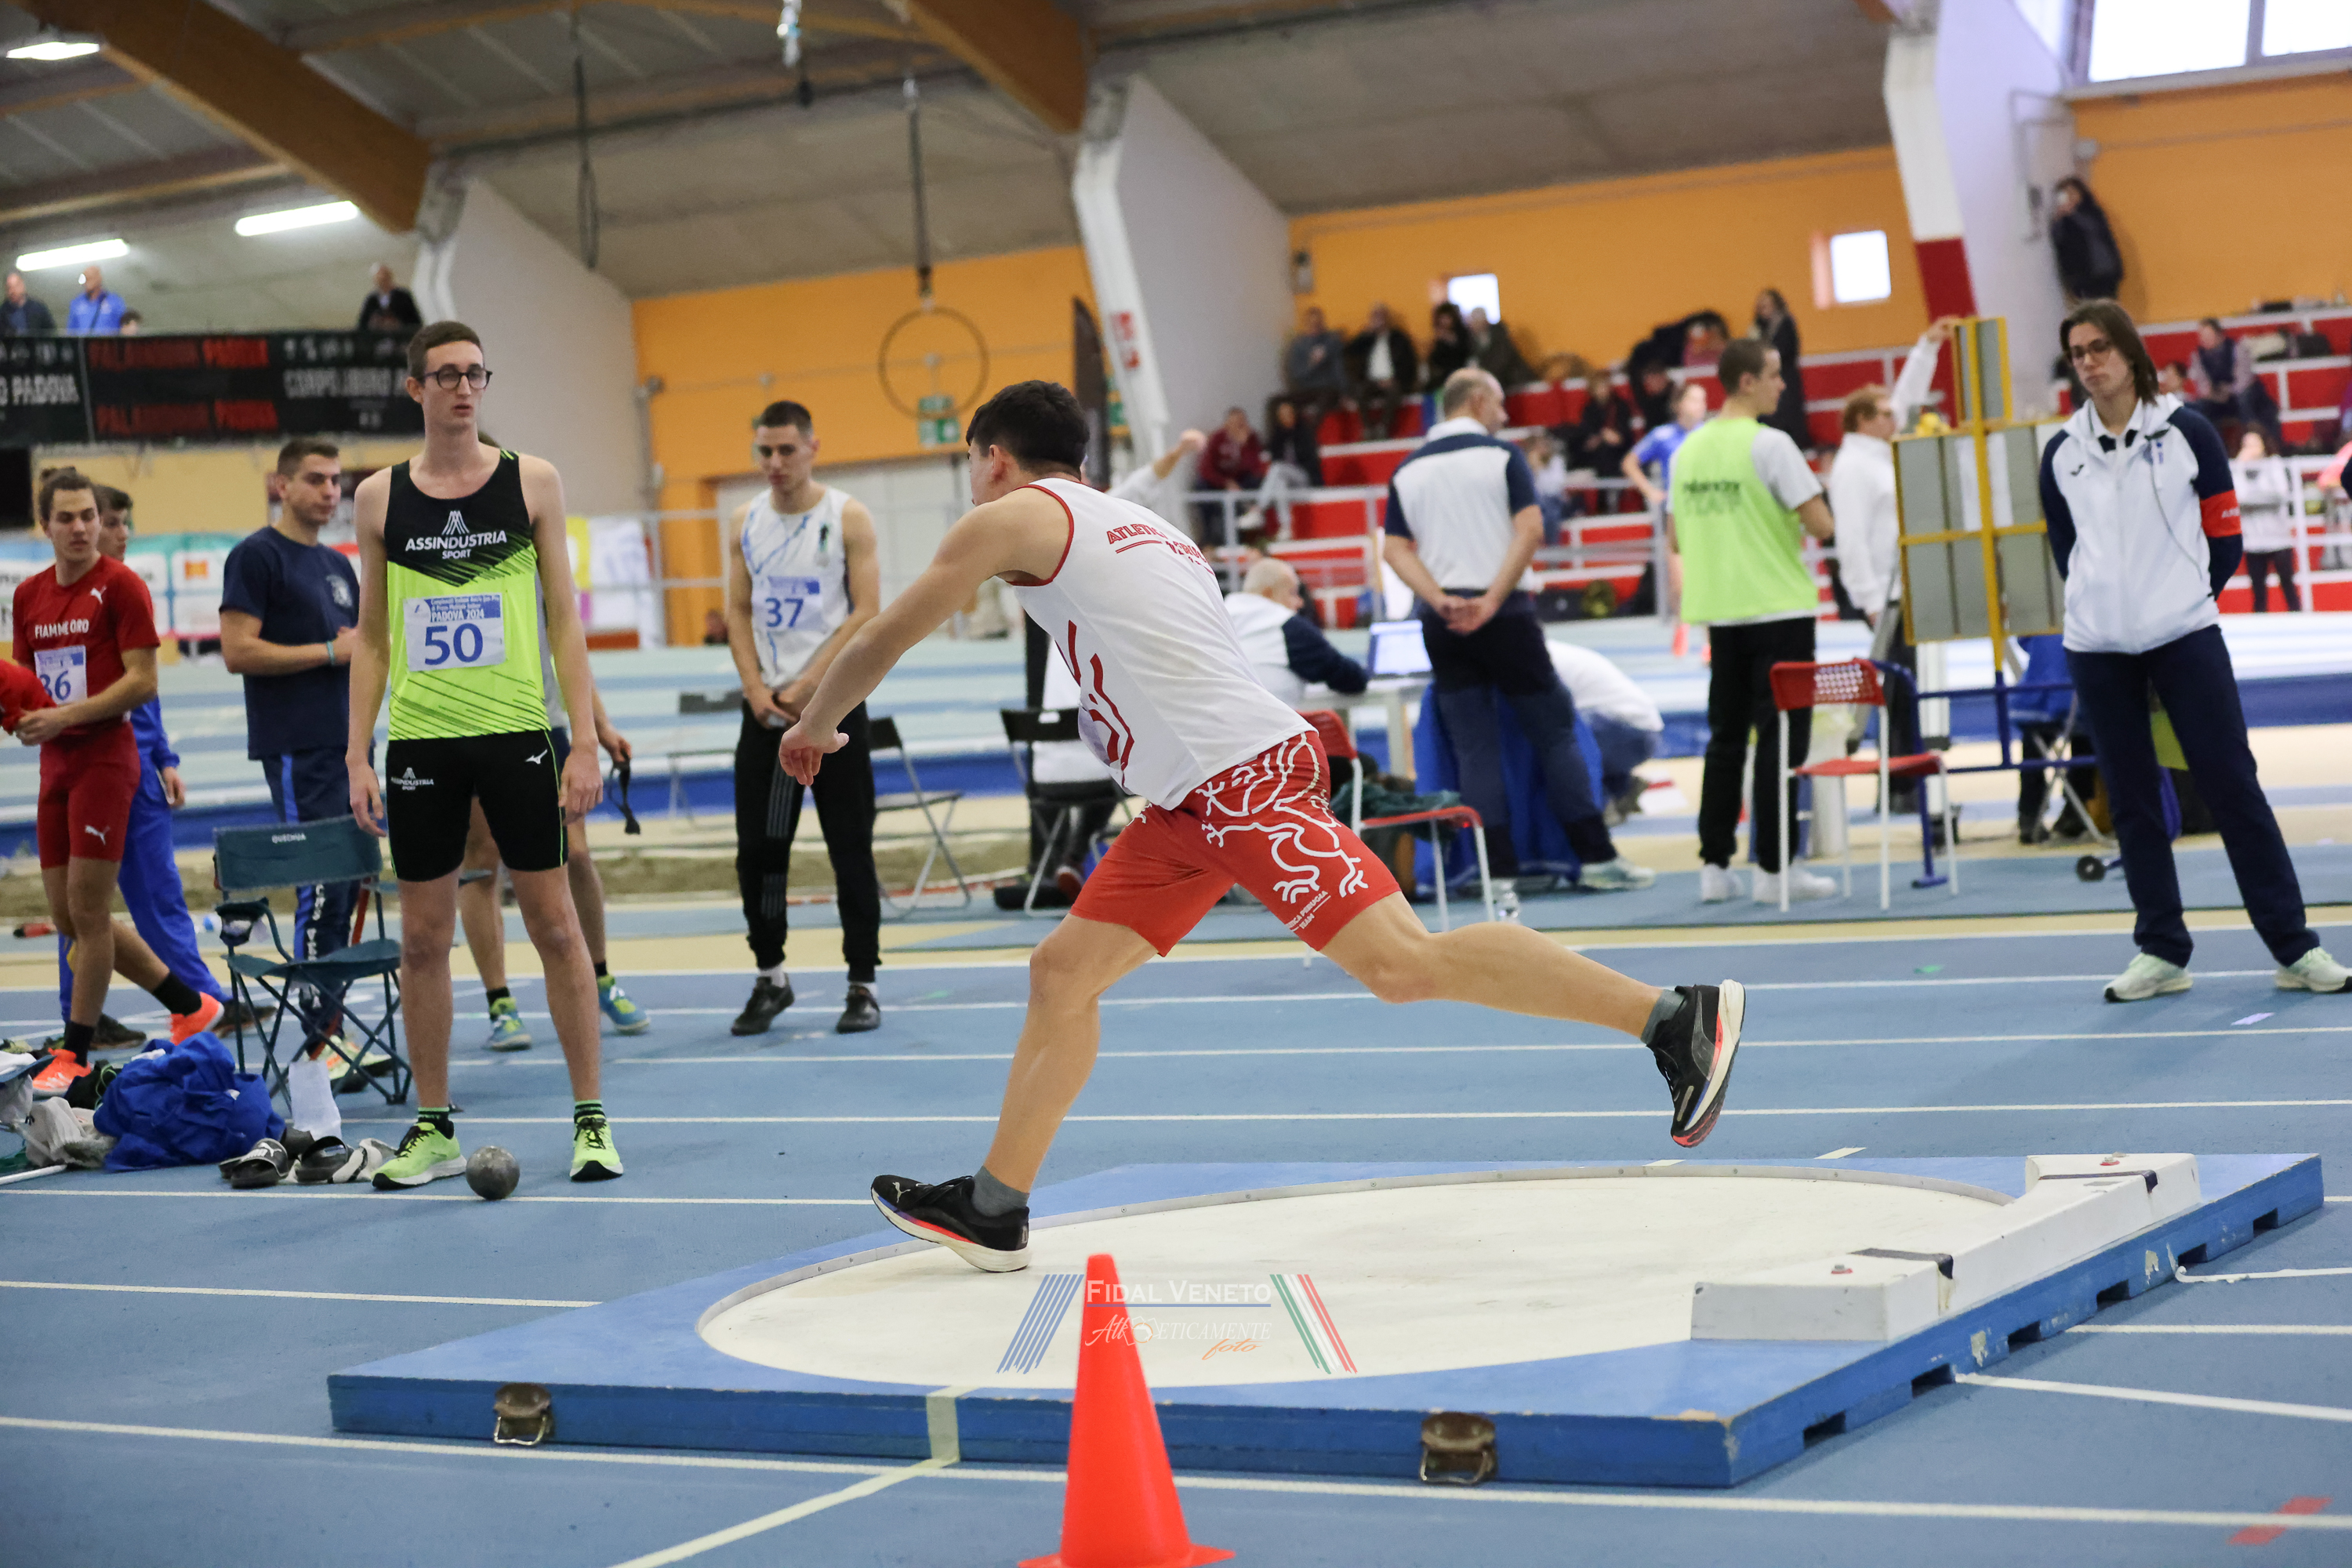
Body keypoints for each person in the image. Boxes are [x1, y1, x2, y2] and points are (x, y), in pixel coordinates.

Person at [775, 379, 1748, 1273]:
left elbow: (888, 630)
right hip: (1191, 798)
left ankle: (1672, 1017)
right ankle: (995, 1206)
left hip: (1239, 779)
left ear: (993, 458)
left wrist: (816, 724)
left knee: (1401, 964)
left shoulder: (1017, 514)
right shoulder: (1146, 525)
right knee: (1062, 972)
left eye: (972, 465)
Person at [344, 320, 624, 1186]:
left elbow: (564, 619)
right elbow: (372, 638)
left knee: (555, 925)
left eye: (476, 374)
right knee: (421, 940)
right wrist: (357, 754)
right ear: (416, 388)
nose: (465, 388)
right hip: (422, 744)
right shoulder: (379, 498)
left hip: (516, 737)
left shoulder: (531, 481)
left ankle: (591, 1121)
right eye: (447, 375)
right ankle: (433, 1126)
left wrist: (584, 740)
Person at [2040, 299, 2346, 1002]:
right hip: (2098, 648)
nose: (2089, 362)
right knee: (2132, 801)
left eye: (2099, 347)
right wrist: (2104, 609)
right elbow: (2067, 550)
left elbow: (2226, 540)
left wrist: (2179, 601)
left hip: (2185, 637)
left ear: (2130, 352)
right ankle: (2161, 950)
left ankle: (2295, 947)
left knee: (2233, 787)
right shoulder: (2061, 452)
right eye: (2078, 353)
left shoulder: (2189, 432)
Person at [1381, 367, 1654, 897]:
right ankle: (1595, 857)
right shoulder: (1503, 456)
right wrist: (1492, 600)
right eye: (1501, 404)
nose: (1505, 416)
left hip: (1442, 621)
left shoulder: (1407, 469)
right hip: (1504, 616)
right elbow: (1530, 530)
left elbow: (1394, 550)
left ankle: (1497, 873)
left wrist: (1439, 599)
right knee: (1555, 734)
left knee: (1475, 751)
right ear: (1478, 401)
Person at [17, 472, 225, 1097]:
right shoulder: (29, 596)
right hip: (55, 764)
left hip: (107, 761)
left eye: (88, 516)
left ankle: (75, 1051)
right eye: (67, 518)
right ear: (45, 526)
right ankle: (190, 1003)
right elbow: (29, 682)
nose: (81, 528)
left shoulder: (122, 586)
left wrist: (67, 717)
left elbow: (143, 682)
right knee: (68, 917)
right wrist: (24, 715)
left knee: (89, 911)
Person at [53, 488, 245, 1050]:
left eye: (117, 522)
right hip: (96, 768)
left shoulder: (126, 590)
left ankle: (197, 998)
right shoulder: (69, 602)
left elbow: (146, 693)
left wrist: (165, 757)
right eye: (109, 521)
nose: (120, 533)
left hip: (137, 766)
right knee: (80, 905)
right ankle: (95, 1012)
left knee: (141, 895)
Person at [722, 399, 884, 1037]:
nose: (775, 462)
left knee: (850, 848)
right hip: (766, 715)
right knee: (759, 853)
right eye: (764, 450)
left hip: (834, 709)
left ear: (813, 447)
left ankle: (863, 982)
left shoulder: (847, 516)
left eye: (787, 449)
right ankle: (771, 976)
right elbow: (737, 610)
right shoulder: (744, 521)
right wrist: (755, 688)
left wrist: (812, 685)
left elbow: (866, 610)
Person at [1670, 336, 1839, 906]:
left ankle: (1714, 868)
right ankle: (1776, 869)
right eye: (1774, 374)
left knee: (1725, 741)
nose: (1782, 385)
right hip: (1779, 610)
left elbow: (1675, 538)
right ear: (1747, 381)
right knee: (1779, 739)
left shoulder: (1688, 451)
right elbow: (1821, 525)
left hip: (1721, 613)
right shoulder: (1771, 444)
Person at [221, 439, 368, 1068]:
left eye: (336, 481)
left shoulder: (338, 565)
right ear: (281, 485)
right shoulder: (257, 556)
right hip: (296, 745)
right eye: (315, 479)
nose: (330, 492)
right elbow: (238, 650)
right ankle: (317, 1042)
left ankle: (330, 1030)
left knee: (349, 885)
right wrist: (331, 652)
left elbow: (360, 653)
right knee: (322, 885)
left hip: (345, 746)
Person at [1827, 318, 1959, 794]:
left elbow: (1905, 397)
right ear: (1863, 421)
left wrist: (1927, 346)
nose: (1895, 418)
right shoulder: (1853, 468)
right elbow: (1850, 540)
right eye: (1884, 414)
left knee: (1906, 688)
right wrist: (1868, 599)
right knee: (1899, 690)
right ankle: (1902, 786)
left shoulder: (1876, 454)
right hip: (1883, 597)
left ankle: (1906, 784)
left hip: (1902, 591)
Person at [1544, 638, 1663, 822]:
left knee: (1552, 739)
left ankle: (1598, 804)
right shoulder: (1547, 650)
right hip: (1639, 733)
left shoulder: (1536, 658)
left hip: (1624, 732)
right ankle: (1620, 787)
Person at [1224, 557, 1367, 706]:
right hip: (1268, 718)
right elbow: (1352, 678)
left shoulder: (1221, 617)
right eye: (1292, 593)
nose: (1300, 602)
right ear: (1268, 594)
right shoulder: (1285, 625)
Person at [2233, 427, 2299, 612]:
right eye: (2246, 445)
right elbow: (2237, 498)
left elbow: (2279, 495)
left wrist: (2250, 501)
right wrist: (2239, 466)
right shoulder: (2237, 469)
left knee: (2289, 590)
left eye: (2254, 444)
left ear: (2263, 445)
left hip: (2279, 538)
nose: (2250, 449)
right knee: (2259, 596)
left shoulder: (2274, 464)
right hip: (2253, 541)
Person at [1623, 380, 1710, 510]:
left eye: (1702, 401)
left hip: (1707, 505)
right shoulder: (1662, 435)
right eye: (1694, 400)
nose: (1701, 406)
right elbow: (1629, 463)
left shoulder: (1710, 434)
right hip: (1676, 508)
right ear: (1678, 404)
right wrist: (1650, 491)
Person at [1346, 303, 1417, 441]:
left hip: (1393, 379)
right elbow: (1350, 351)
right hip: (1371, 381)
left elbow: (1408, 363)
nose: (1378, 321)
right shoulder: (1367, 340)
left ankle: (1383, 427)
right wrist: (1365, 334)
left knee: (1394, 391)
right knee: (1360, 391)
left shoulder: (1398, 338)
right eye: (1375, 317)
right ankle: (1367, 428)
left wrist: (1395, 378)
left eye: (1381, 317)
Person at [2049, 176, 2124, 303]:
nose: (2071, 197)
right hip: (2082, 275)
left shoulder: (2091, 210)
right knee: (2090, 309)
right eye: (2066, 194)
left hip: (2105, 269)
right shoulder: (2063, 219)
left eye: (2073, 192)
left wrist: (2072, 213)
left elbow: (2093, 228)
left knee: (2108, 307)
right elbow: (2058, 240)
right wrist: (2058, 220)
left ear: (2081, 192)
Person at [1196, 407, 1265, 540]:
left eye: (1240, 423)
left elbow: (1255, 467)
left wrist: (1243, 446)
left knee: (1255, 481)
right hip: (1220, 482)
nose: (1237, 426)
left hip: (1242, 481)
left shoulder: (1251, 438)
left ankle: (1248, 529)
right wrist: (1225, 482)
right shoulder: (1218, 438)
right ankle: (1208, 537)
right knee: (1201, 486)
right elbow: (1206, 468)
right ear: (1227, 424)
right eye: (1234, 423)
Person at [1752, 289, 1809, 450]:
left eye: (1768, 305)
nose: (1764, 310)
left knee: (1787, 412)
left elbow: (1786, 350)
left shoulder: (1785, 323)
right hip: (1765, 378)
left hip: (1786, 375)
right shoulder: (1758, 327)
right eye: (1762, 306)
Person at [1281, 306, 1349, 432]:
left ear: (1323, 324)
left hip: (1327, 388)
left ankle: (1311, 433)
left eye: (1318, 324)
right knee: (1277, 403)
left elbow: (1338, 369)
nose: (1315, 327)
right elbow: (1296, 373)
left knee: (1325, 399)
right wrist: (1311, 364)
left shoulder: (1331, 342)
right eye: (1311, 324)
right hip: (1305, 389)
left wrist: (1344, 391)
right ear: (1305, 324)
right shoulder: (1298, 345)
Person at [1466, 307, 1535, 389]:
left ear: (1484, 322)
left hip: (1515, 382)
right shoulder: (1476, 340)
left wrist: (1481, 370)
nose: (1472, 326)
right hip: (1500, 383)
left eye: (1475, 322)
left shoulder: (1499, 336)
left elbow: (1501, 362)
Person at [356, 264, 423, 334]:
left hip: (400, 336)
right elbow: (362, 325)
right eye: (380, 279)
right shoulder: (371, 300)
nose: (383, 281)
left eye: (385, 278)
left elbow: (415, 322)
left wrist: (397, 323)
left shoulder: (403, 297)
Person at [1422, 303, 1471, 397]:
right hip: (1442, 374)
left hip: (1459, 371)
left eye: (1447, 318)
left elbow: (1464, 352)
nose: (1444, 321)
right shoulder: (1438, 337)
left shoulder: (1462, 334)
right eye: (1442, 318)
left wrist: (1451, 341)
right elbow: (1434, 359)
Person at [65, 267, 125, 335]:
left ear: (99, 279)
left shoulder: (114, 302)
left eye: (90, 278)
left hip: (108, 341)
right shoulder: (77, 303)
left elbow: (124, 328)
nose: (86, 282)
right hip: (83, 341)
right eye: (85, 279)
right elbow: (71, 331)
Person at [2, 270, 56, 336]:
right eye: (9, 288)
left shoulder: (39, 309)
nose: (12, 291)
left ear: (22, 285)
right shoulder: (2, 313)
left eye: (15, 286)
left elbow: (52, 333)